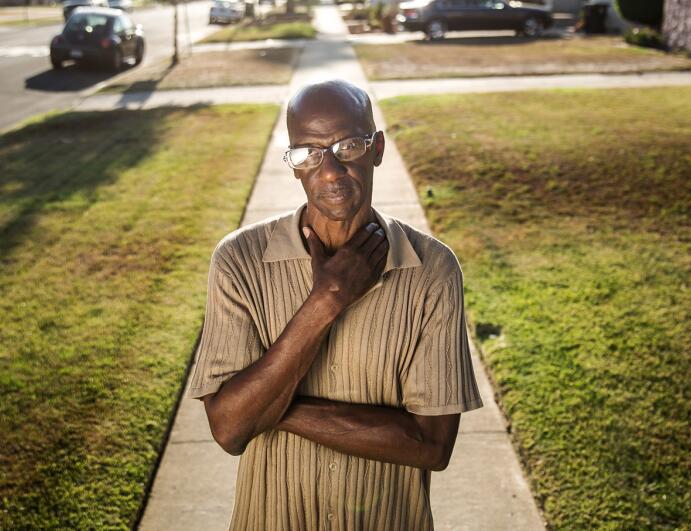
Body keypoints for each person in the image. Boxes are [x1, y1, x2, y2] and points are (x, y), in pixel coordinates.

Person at [187, 79, 483, 530]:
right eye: (308, 151)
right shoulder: (239, 261)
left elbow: (431, 445)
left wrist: (263, 409)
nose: (329, 171)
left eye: (347, 146)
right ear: (293, 165)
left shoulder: (432, 269)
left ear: (377, 149)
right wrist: (326, 301)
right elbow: (229, 432)